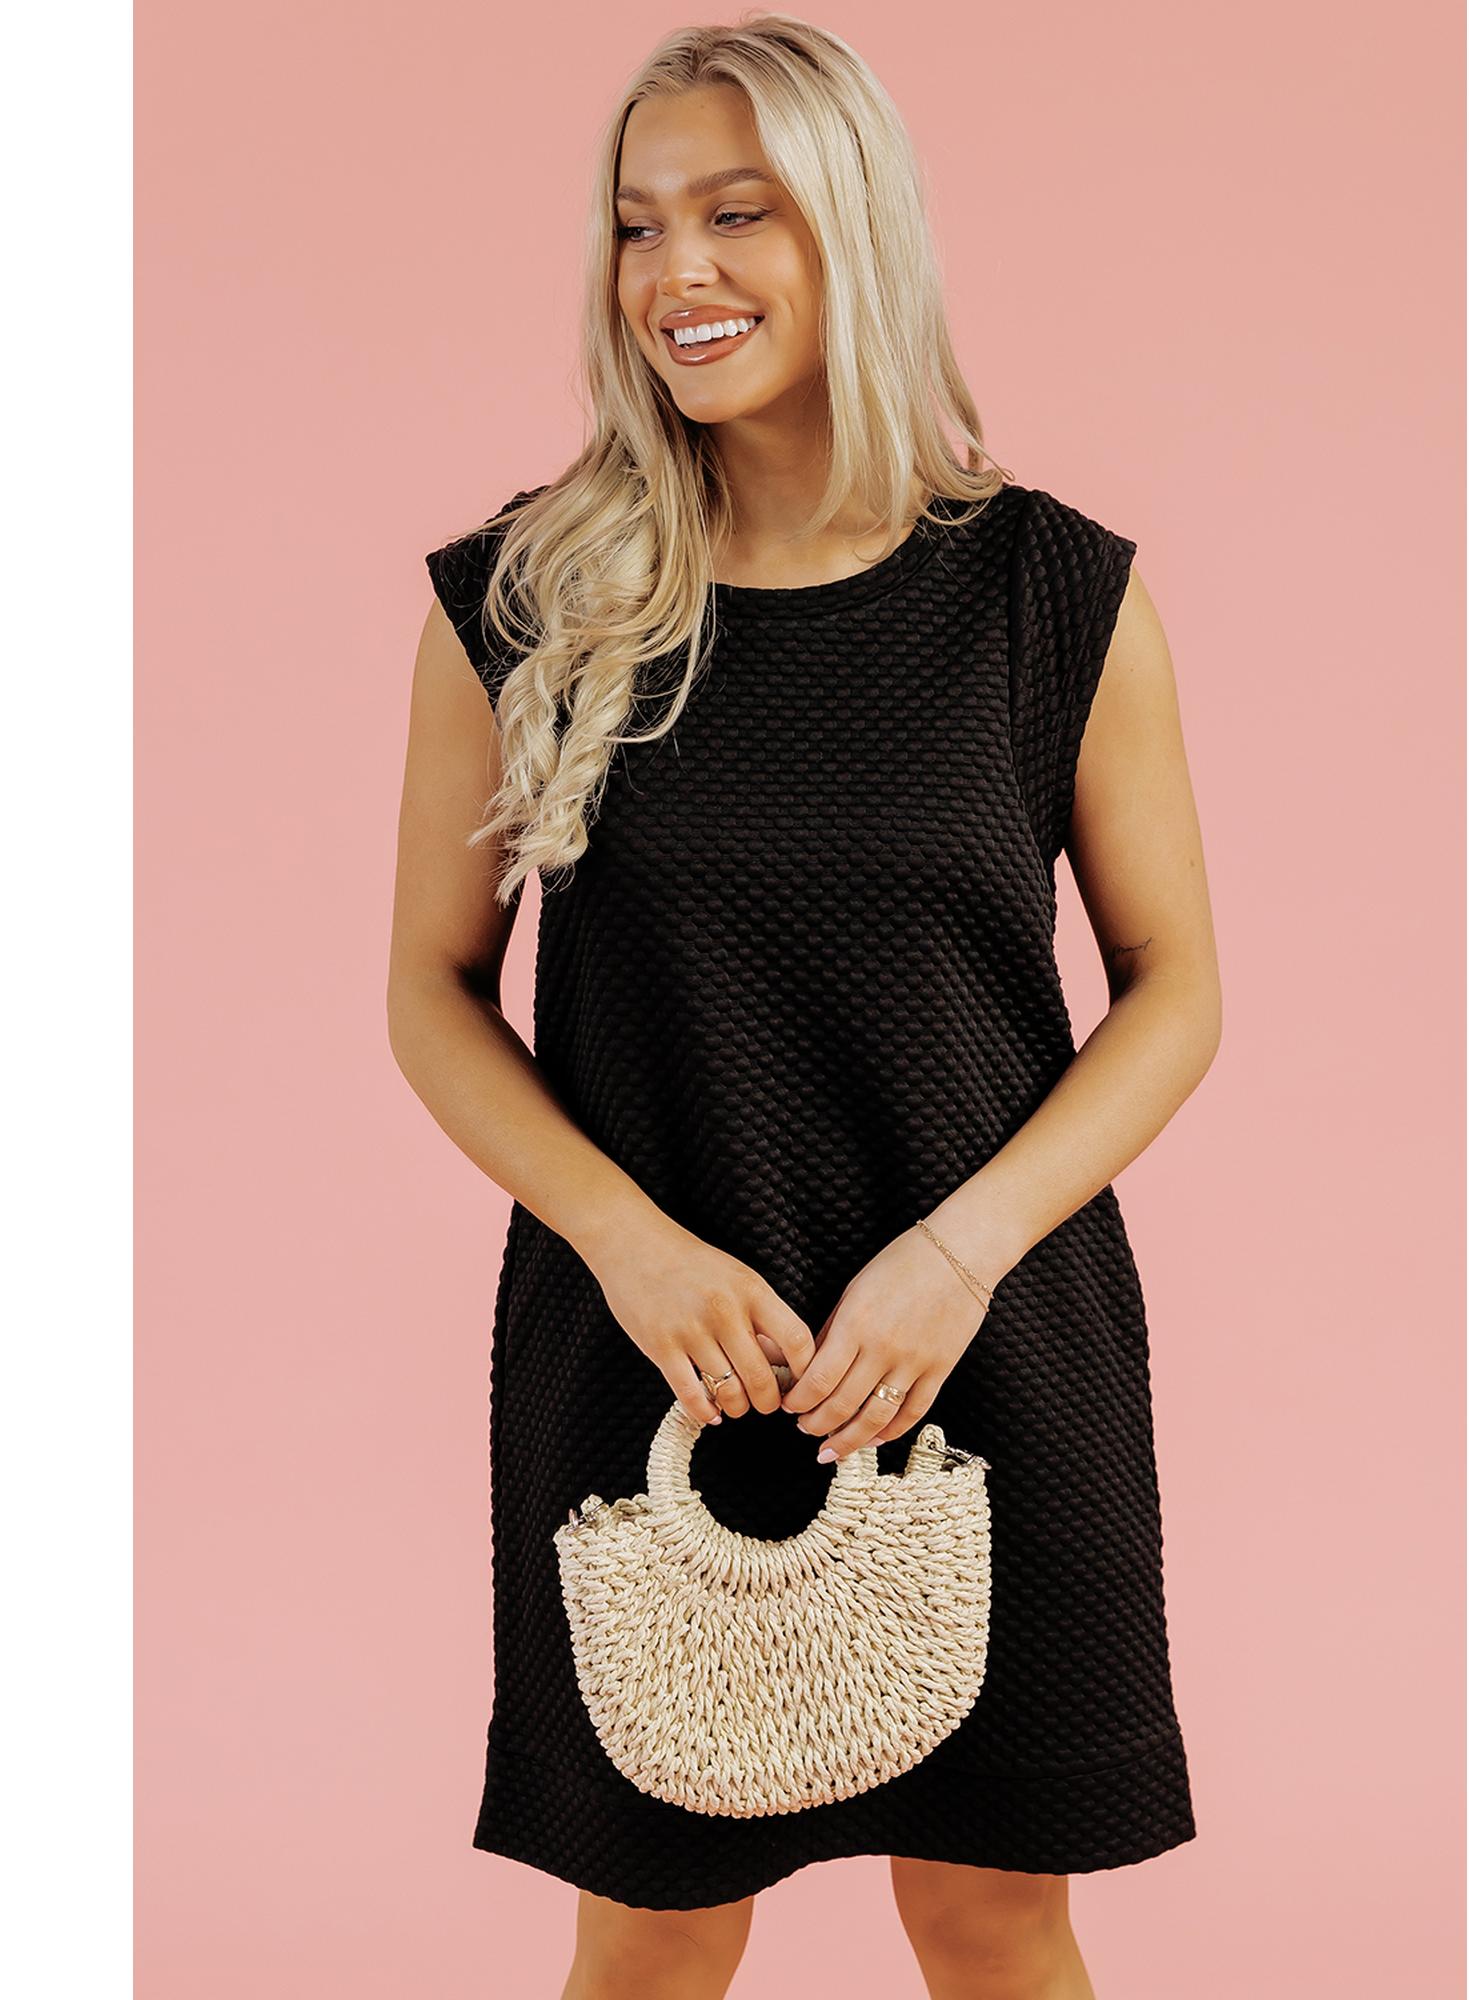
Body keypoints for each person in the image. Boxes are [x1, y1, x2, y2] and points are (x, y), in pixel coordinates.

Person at [388, 14, 1220, 1998]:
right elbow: (429, 990)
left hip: (991, 1338)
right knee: (655, 1930)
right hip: (653, 1353)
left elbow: (1175, 988)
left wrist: (957, 1256)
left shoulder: (1050, 596)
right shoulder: (523, 602)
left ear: (855, 225)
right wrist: (625, 1244)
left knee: (995, 1914)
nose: (675, 271)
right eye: (638, 224)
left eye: (737, 213)